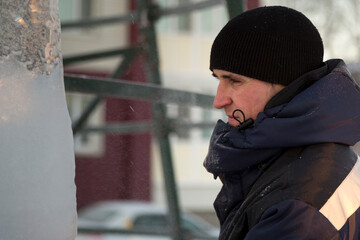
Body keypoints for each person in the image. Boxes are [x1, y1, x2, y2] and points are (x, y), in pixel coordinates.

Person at [203, 5, 360, 240]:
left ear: (286, 85)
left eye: (234, 81)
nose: (219, 100)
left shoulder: (299, 205)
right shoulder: (301, 162)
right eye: (218, 79)